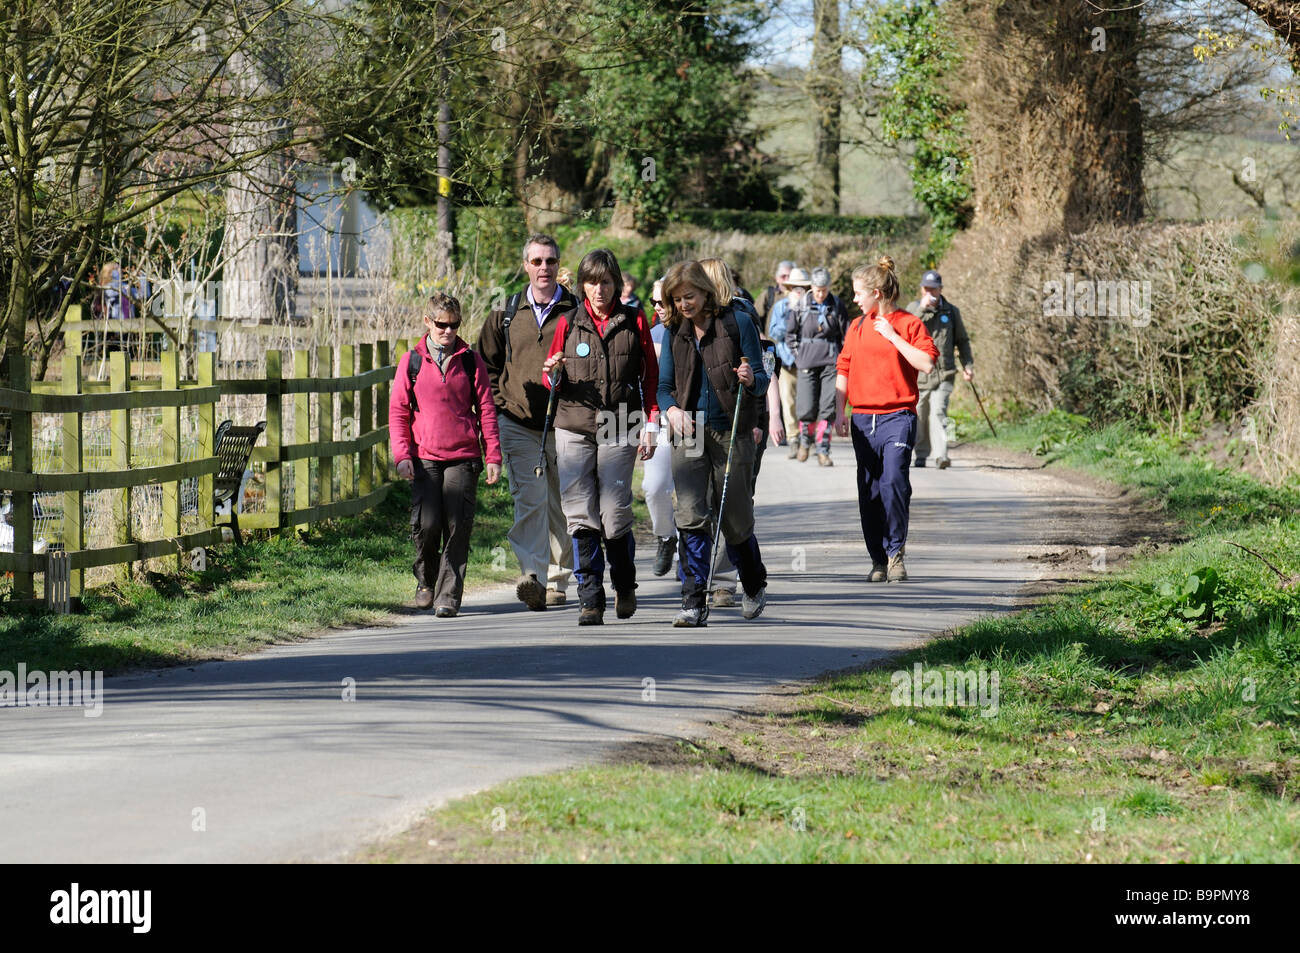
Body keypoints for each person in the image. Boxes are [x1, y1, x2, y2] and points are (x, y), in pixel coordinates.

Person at [542, 249, 659, 626]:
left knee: (614, 513)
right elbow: (551, 378)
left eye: (606, 281)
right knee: (580, 513)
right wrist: (553, 374)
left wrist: (652, 423)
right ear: (582, 285)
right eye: (591, 282)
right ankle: (589, 599)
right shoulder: (568, 322)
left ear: (617, 283)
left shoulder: (634, 320)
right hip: (573, 424)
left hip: (620, 421)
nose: (599, 289)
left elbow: (651, 377)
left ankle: (624, 586)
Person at [658, 260, 770, 627]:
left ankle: (753, 584)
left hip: (731, 429)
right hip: (688, 431)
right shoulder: (675, 330)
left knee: (735, 519)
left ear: (706, 291)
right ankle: (693, 601)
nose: (683, 305)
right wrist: (672, 410)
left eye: (688, 297)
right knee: (690, 515)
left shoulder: (737, 321)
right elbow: (662, 387)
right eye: (676, 300)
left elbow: (762, 375)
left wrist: (749, 377)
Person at [476, 234, 576, 611]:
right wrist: (501, 406)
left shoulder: (575, 310)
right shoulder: (505, 310)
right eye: (537, 261)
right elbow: (485, 365)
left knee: (561, 504)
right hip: (517, 422)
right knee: (530, 500)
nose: (544, 268)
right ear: (526, 266)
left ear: (558, 263)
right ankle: (532, 577)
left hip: (564, 421)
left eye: (550, 261)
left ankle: (558, 579)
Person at [390, 293, 503, 615]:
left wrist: (492, 455)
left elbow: (486, 409)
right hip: (424, 457)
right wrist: (402, 455)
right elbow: (398, 412)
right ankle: (425, 579)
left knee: (458, 525)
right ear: (428, 322)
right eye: (441, 325)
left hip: (463, 457)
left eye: (454, 325)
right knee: (427, 525)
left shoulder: (470, 359)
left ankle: (448, 596)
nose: (448, 331)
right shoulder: (411, 361)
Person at [834, 256, 937, 584]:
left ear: (877, 293)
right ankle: (878, 559)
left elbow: (927, 364)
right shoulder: (856, 326)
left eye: (858, 293)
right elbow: (844, 368)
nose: (854, 299)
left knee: (893, 482)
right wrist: (840, 410)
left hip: (898, 416)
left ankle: (896, 554)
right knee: (869, 490)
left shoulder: (909, 323)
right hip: (863, 419)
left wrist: (893, 337)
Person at [698, 257, 783, 609]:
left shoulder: (743, 317)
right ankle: (706, 582)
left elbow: (765, 373)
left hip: (741, 422)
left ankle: (730, 582)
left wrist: (766, 419)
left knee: (733, 506)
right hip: (697, 426)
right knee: (701, 506)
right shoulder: (687, 321)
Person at [906, 270, 974, 470]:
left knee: (938, 412)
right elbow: (905, 334)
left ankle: (941, 455)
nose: (930, 293)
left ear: (940, 289)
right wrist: (921, 310)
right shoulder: (912, 309)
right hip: (919, 374)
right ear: (921, 289)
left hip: (944, 373)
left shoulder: (951, 312)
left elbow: (962, 341)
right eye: (926, 289)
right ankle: (920, 454)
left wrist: (967, 366)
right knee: (919, 414)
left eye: (933, 289)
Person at [786, 266, 847, 466]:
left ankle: (823, 450)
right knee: (806, 406)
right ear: (811, 286)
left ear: (828, 287)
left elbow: (845, 336)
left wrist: (842, 358)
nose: (821, 293)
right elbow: (790, 335)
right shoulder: (800, 305)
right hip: (807, 363)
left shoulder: (837, 305)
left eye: (824, 289)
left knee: (827, 407)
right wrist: (799, 356)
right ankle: (805, 442)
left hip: (830, 363)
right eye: (817, 289)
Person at [642, 278, 678, 577]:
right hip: (660, 418)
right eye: (653, 302)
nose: (657, 307)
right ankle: (666, 536)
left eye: (662, 301)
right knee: (653, 488)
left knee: (695, 495)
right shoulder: (652, 335)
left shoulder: (697, 331)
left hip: (696, 420)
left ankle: (694, 559)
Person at [768, 266, 810, 455]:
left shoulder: (812, 306)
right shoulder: (780, 307)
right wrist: (790, 320)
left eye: (801, 287)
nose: (798, 291)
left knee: (807, 402)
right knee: (788, 401)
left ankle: (806, 438)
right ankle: (793, 438)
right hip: (786, 361)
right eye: (794, 287)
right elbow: (774, 332)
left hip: (807, 360)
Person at [756, 260, 796, 326]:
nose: (787, 279)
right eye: (783, 276)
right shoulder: (768, 295)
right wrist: (760, 334)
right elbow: (754, 317)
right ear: (777, 278)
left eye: (790, 276)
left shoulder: (800, 294)